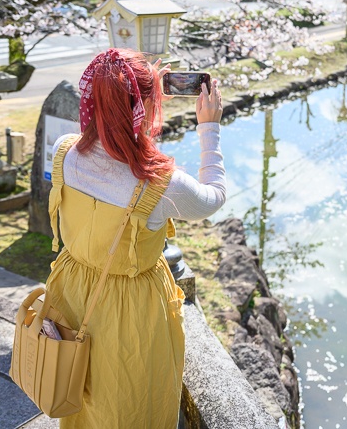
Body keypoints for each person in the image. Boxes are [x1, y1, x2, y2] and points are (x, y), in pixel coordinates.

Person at [43, 48, 225, 428]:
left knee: (79, 396)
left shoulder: (65, 154)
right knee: (130, 403)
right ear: (144, 107)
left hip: (72, 293)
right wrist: (209, 129)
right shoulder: (159, 184)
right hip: (129, 310)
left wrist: (138, 94)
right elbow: (213, 198)